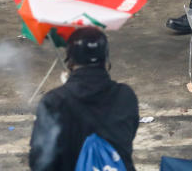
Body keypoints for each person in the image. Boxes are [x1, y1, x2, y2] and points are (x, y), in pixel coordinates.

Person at [29, 27, 139, 171]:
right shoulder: (126, 96)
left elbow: (40, 162)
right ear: (105, 58)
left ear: (70, 60)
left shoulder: (54, 102)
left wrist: (66, 90)